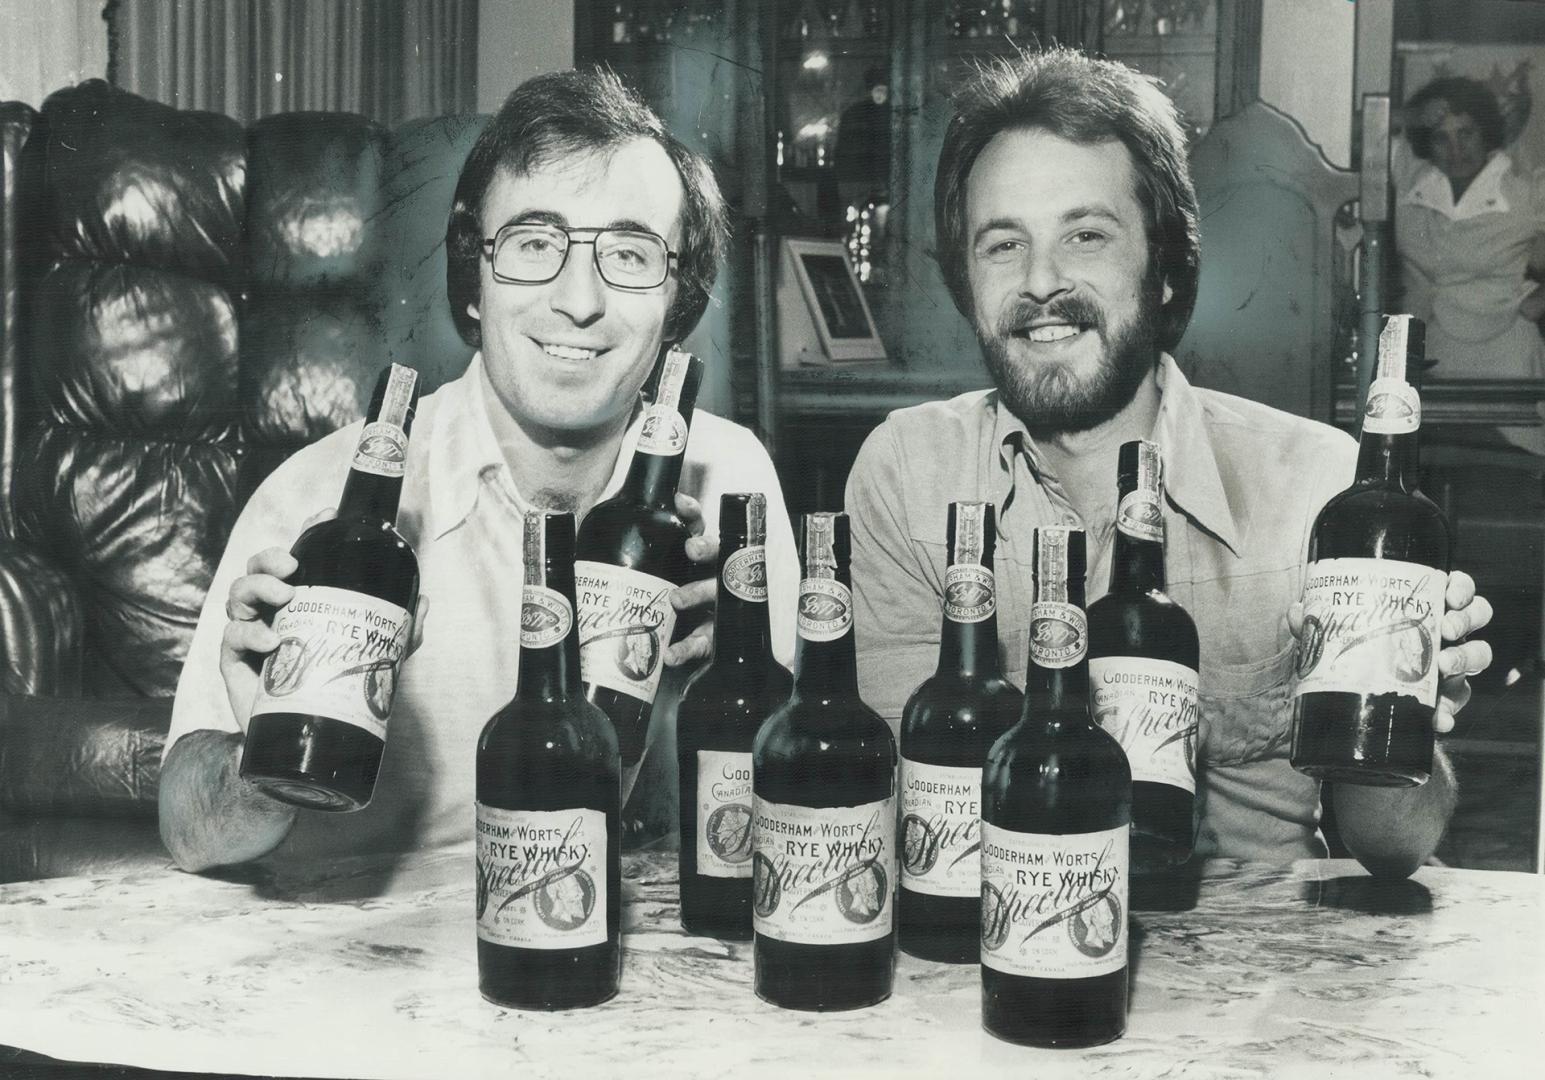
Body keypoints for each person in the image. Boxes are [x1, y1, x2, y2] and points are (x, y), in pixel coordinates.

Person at [845, 48, 1495, 879]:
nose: (1042, 282)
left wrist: (1405, 713)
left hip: (1258, 966)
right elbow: (912, 819)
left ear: (1162, 267)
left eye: (1085, 235)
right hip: (991, 940)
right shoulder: (906, 473)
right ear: (965, 279)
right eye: (1002, 245)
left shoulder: (1319, 489)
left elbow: (1394, 846)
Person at [160, 68, 799, 873]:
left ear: (678, 301)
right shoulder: (315, 494)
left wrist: (731, 694)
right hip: (370, 966)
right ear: (475, 279)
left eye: (630, 254)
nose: (579, 300)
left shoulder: (729, 474)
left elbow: (786, 816)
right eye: (535, 244)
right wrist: (264, 761)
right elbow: (188, 836)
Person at [1395, 75, 1545, 455]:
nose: (1455, 150)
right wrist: (1411, 114)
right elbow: (1361, 133)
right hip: (1424, 352)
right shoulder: (1412, 176)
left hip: (1504, 351)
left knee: (1510, 471)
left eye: (1467, 134)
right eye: (1441, 138)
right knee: (1426, 466)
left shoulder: (1523, 187)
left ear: (1487, 133)